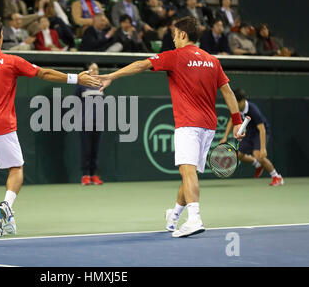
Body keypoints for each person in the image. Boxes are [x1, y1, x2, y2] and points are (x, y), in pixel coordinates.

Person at [0, 15, 101, 237]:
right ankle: (7, 205)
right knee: (17, 169)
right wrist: (75, 78)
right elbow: (44, 73)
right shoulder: (11, 61)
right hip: (3, 126)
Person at [96, 16, 246, 238]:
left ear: (183, 35)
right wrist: (237, 121)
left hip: (188, 124)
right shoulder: (212, 61)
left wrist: (112, 76)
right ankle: (174, 215)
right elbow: (228, 92)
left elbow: (141, 64)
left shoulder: (175, 56)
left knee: (187, 173)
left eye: (175, 35)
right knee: (189, 174)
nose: (173, 39)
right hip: (208, 126)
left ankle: (194, 218)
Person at [219, 89, 284, 186]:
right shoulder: (236, 109)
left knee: (258, 155)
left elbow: (262, 129)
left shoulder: (253, 110)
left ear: (242, 101)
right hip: (250, 132)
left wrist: (263, 149)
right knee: (239, 155)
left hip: (260, 132)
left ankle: (277, 177)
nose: (233, 104)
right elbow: (232, 120)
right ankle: (257, 164)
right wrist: (225, 137)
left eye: (235, 102)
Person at [75, 62, 105, 186]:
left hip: (98, 123)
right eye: (92, 69)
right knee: (86, 150)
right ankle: (85, 175)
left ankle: (94, 175)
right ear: (87, 71)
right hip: (85, 122)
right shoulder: (81, 85)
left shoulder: (101, 85)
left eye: (97, 69)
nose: (95, 71)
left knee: (95, 151)